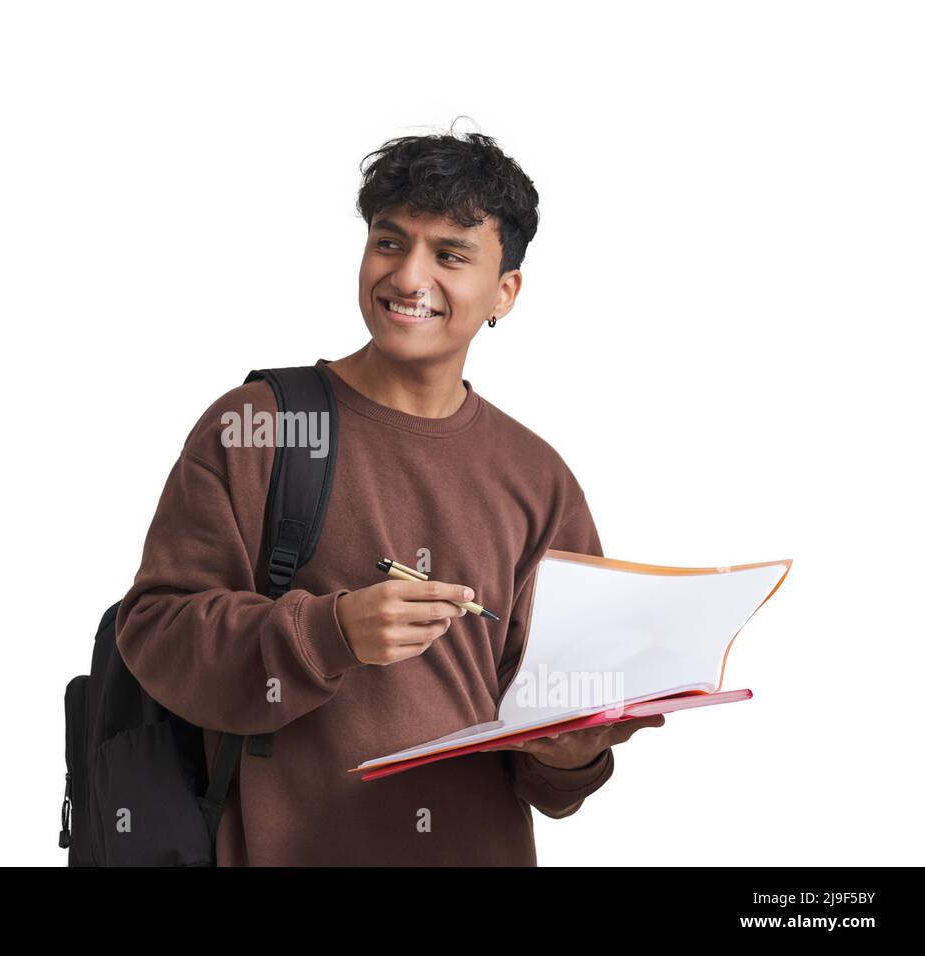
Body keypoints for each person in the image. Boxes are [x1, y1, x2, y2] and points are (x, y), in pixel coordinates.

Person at [114, 127, 663, 865]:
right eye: (389, 242)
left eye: (450, 254)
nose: (409, 277)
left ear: (506, 290)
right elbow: (154, 632)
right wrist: (328, 633)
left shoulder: (539, 478)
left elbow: (546, 756)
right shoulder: (258, 426)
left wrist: (571, 752)